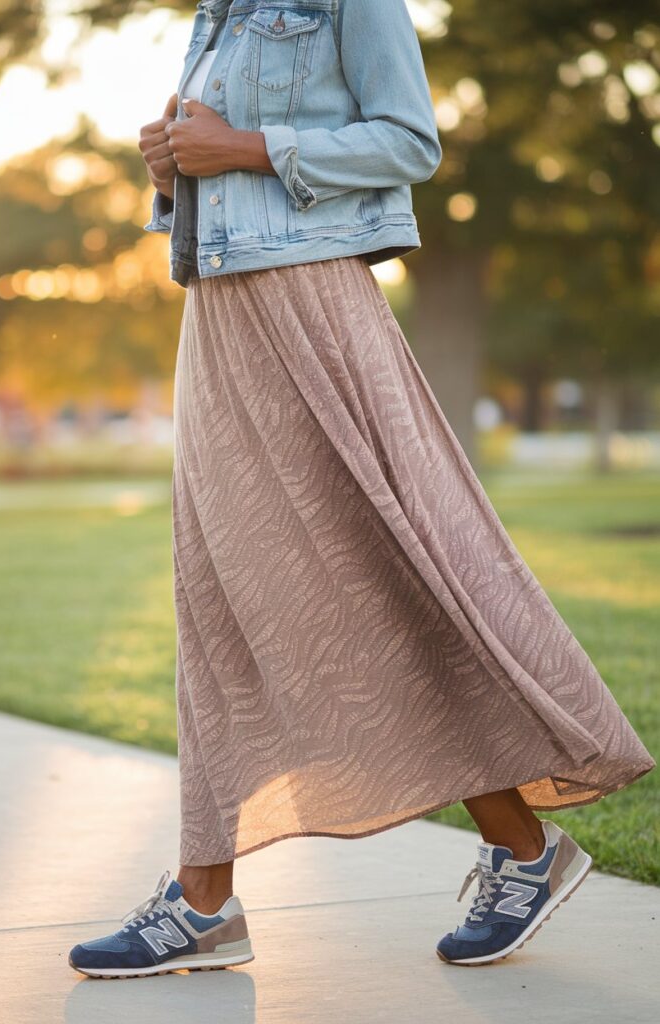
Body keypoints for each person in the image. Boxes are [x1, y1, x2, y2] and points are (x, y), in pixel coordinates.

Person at [68, 0, 655, 978]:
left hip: (311, 311)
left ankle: (521, 844)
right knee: (216, 600)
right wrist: (176, 166)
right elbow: (220, 165)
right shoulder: (220, 11)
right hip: (219, 322)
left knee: (387, 577)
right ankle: (203, 897)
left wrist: (243, 144)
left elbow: (405, 141)